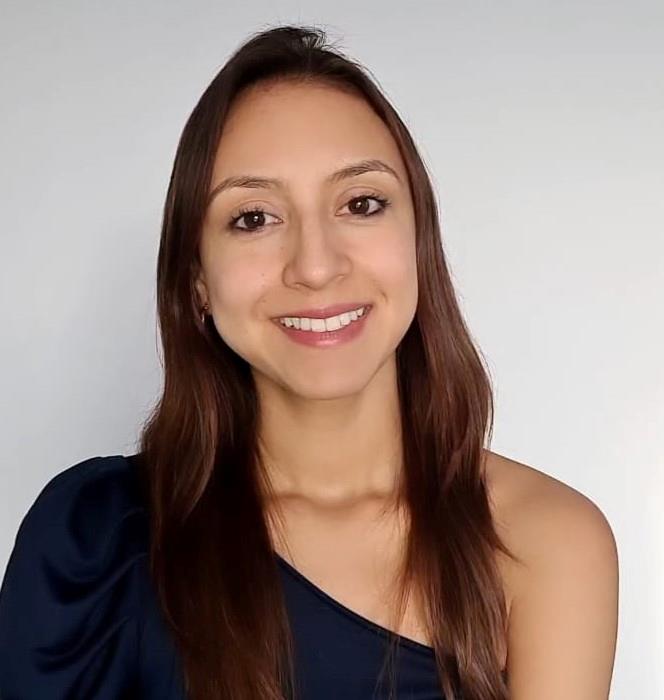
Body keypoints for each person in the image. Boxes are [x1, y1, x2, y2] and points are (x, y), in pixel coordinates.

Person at [0, 23, 618, 700]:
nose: (317, 267)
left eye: (361, 204)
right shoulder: (90, 539)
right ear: (195, 281)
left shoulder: (548, 541)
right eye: (254, 218)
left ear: (419, 242)